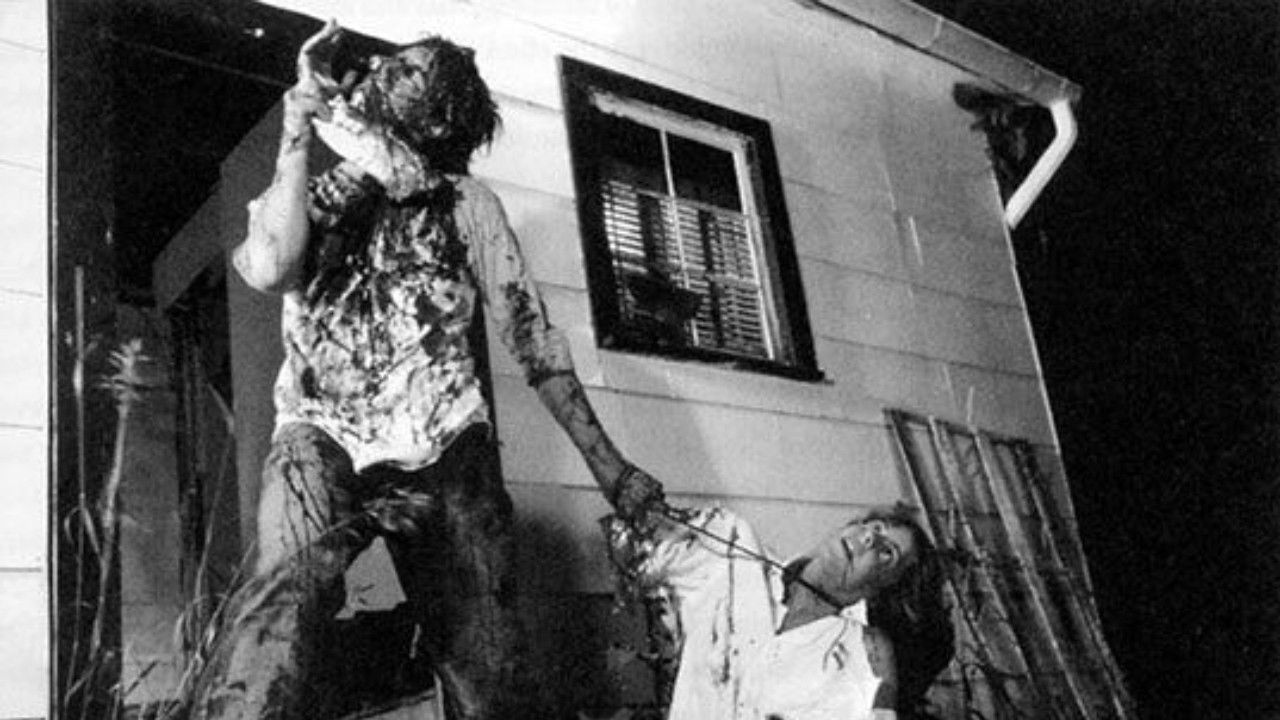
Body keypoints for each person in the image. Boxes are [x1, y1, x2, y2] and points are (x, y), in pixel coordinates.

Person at [186, 20, 663, 720]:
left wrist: (613, 472)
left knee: (488, 668)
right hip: (320, 436)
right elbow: (268, 267)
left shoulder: (469, 205)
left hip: (446, 446)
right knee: (273, 633)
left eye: (406, 70)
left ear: (438, 118)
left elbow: (533, 342)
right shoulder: (318, 191)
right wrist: (295, 124)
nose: (378, 68)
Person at [600, 486, 953, 720]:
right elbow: (636, 512)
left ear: (886, 588)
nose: (868, 539)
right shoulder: (735, 555)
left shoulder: (860, 654)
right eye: (873, 527)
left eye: (887, 552)